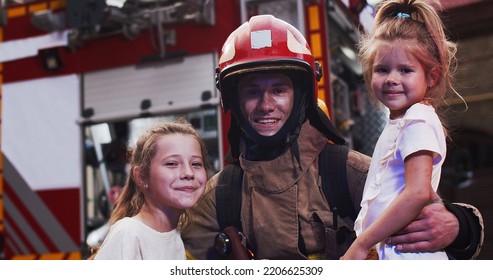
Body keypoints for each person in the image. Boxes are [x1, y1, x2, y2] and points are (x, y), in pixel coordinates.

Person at [181, 14, 484, 260]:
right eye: (252, 92)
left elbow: (417, 205)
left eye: (279, 90)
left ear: (302, 95)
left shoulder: (347, 172)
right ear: (233, 100)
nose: (266, 105)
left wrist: (460, 226)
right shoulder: (219, 197)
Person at [341, 0, 466, 260]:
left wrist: (362, 244)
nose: (392, 79)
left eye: (405, 70)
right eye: (382, 69)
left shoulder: (418, 119)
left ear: (431, 77)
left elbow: (417, 192)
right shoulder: (402, 121)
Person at [93, 118, 211, 260]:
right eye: (172, 163)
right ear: (142, 177)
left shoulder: (179, 237)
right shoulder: (129, 234)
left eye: (196, 164)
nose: (189, 173)